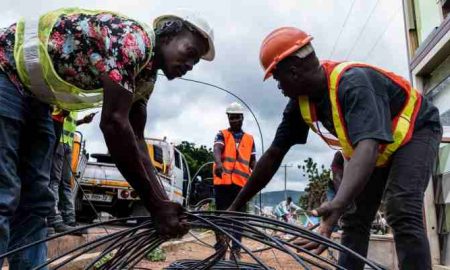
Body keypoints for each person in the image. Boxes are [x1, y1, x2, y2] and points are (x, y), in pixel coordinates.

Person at [0, 8, 214, 268]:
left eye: (196, 62)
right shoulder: (132, 41)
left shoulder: (145, 77)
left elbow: (136, 139)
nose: (190, 66)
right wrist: (155, 204)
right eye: (190, 53)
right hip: (5, 70)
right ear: (168, 36)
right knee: (4, 190)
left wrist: (163, 204)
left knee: (37, 199)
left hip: (37, 98)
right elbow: (114, 125)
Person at [228, 27, 442, 270]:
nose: (278, 87)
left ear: (294, 71)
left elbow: (368, 147)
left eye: (277, 78)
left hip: (417, 130)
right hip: (380, 148)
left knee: (402, 208)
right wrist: (236, 206)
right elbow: (275, 154)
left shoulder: (353, 84)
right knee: (355, 218)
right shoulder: (301, 104)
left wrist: (338, 202)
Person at [213, 102, 256, 261]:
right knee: (221, 216)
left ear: (242, 117)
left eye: (237, 118)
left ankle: (236, 250)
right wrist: (218, 163)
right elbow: (217, 149)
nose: (234, 121)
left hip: (241, 185)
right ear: (228, 118)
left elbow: (253, 161)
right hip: (223, 183)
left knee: (239, 218)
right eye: (231, 118)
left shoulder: (250, 139)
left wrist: (256, 177)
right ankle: (220, 249)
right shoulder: (222, 134)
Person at [47, 110, 96, 234]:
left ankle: (69, 220)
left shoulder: (74, 105)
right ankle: (54, 219)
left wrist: (83, 121)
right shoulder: (64, 98)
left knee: (66, 183)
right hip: (59, 141)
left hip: (68, 144)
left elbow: (70, 124)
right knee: (55, 181)